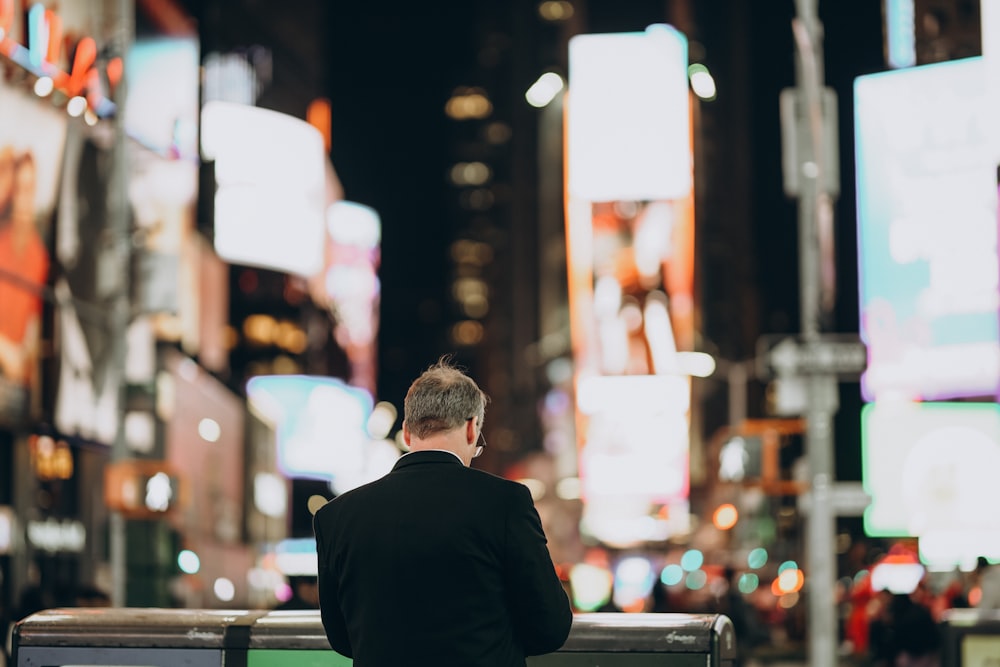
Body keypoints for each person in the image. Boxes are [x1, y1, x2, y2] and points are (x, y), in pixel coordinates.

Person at [314, 356, 573, 665]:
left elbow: (342, 637)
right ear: (471, 428)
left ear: (408, 432)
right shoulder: (506, 502)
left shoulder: (336, 516)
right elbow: (551, 627)